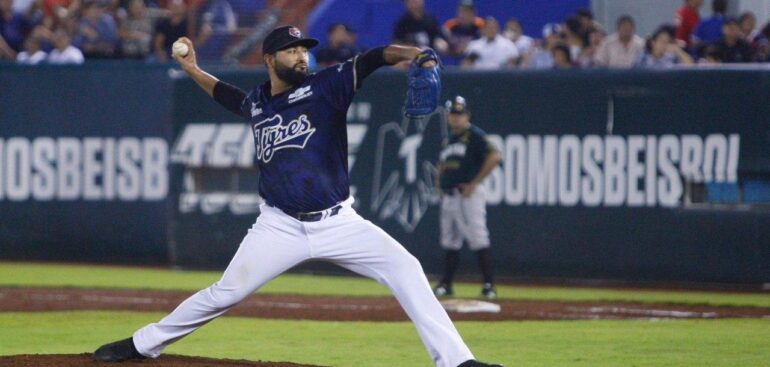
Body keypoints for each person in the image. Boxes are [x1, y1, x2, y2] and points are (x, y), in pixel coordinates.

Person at [92, 25, 502, 367]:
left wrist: (418, 53)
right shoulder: (257, 103)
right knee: (226, 293)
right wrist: (193, 69)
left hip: (339, 221)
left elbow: (375, 57)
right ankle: (142, 344)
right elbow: (226, 94)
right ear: (270, 59)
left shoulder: (328, 85)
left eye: (303, 50)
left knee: (406, 268)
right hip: (279, 225)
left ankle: (457, 361)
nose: (301, 56)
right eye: (291, 51)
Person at [434, 96, 501, 300]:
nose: (456, 118)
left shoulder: (475, 135)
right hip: (451, 196)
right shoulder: (449, 139)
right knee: (450, 241)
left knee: (478, 237)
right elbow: (442, 166)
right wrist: (439, 186)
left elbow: (495, 156)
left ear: (467, 116)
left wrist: (475, 182)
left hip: (467, 195)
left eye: (459, 114)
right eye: (453, 114)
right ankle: (446, 284)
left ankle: (489, 285)